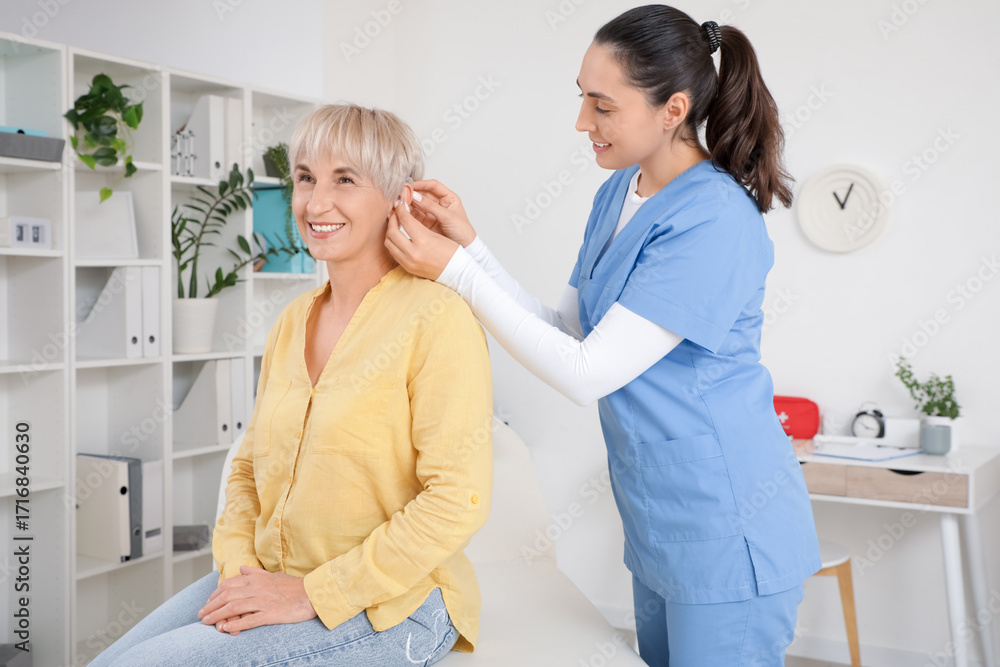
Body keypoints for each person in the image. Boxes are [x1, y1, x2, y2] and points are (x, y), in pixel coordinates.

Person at [385, 5, 822, 666]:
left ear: (672, 109)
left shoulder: (715, 219)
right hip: (659, 520)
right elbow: (566, 328)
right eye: (581, 99)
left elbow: (586, 371)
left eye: (602, 106)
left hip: (728, 524)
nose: (582, 123)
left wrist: (453, 274)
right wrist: (468, 248)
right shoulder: (620, 192)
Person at [90, 104, 494, 667]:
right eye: (305, 177)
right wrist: (239, 572)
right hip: (275, 576)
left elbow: (456, 500)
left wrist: (311, 594)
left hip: (395, 606)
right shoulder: (292, 320)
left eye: (345, 180)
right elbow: (248, 467)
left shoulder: (437, 319)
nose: (315, 202)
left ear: (399, 197)